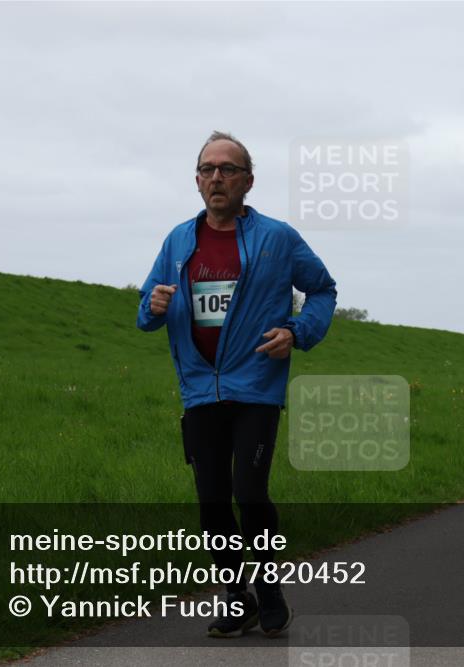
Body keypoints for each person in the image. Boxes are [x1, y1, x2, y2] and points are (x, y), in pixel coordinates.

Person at [137, 131, 337, 638]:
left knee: (249, 492)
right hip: (200, 388)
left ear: (248, 180)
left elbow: (322, 289)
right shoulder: (179, 240)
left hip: (255, 386)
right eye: (208, 169)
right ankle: (235, 596)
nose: (217, 178)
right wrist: (152, 307)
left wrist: (297, 331)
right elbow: (147, 308)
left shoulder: (277, 238)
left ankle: (269, 590)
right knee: (211, 499)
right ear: (197, 180)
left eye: (228, 169)